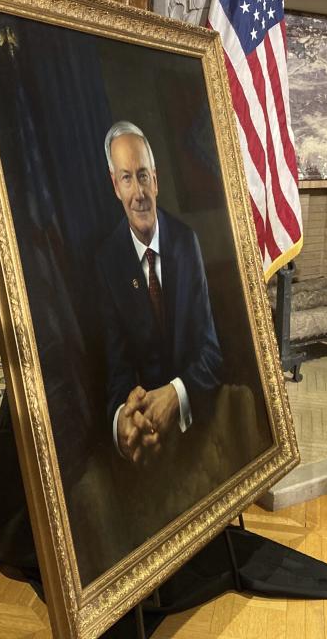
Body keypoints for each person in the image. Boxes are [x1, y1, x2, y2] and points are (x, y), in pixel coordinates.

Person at [94, 120, 222, 465]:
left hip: (194, 421)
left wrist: (176, 396)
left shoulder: (186, 242)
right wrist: (127, 417)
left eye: (143, 175)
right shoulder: (106, 262)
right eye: (126, 178)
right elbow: (116, 369)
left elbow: (211, 353)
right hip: (145, 437)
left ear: (157, 179)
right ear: (115, 186)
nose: (138, 193)